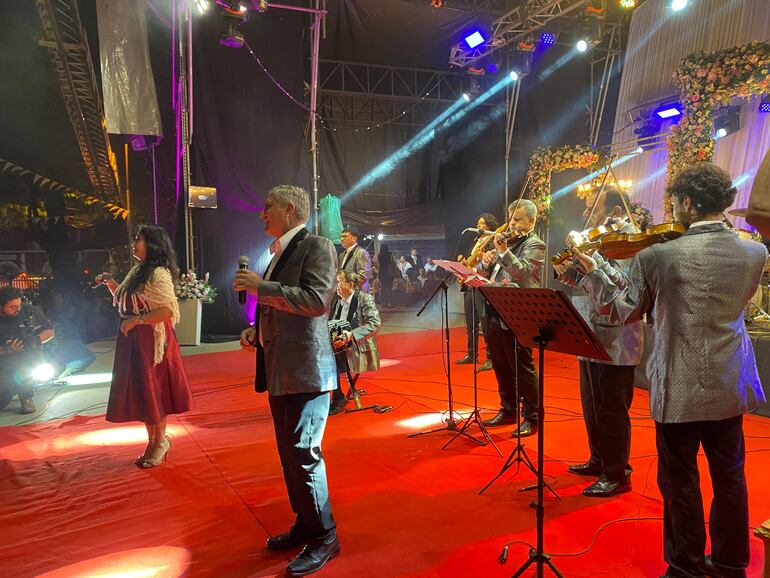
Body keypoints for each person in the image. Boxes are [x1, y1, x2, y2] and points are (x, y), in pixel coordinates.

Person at [571, 164, 767, 578]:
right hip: (730, 379)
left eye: (675, 201)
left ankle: (686, 566)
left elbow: (619, 311)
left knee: (680, 480)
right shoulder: (755, 252)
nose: (673, 208)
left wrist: (592, 270)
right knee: (730, 474)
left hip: (679, 381)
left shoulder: (657, 255)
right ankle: (732, 563)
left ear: (687, 203)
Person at [234, 184, 339, 577]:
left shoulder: (318, 247)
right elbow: (282, 308)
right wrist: (257, 333)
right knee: (289, 453)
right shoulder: (279, 252)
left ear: (290, 209)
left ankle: (325, 536)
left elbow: (316, 301)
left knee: (303, 453)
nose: (261, 213)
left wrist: (262, 288)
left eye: (267, 206)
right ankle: (306, 523)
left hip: (308, 371)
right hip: (281, 369)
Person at [552, 189, 643, 497]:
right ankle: (599, 459)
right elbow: (588, 286)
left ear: (616, 212)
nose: (587, 216)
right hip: (590, 331)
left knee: (611, 409)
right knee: (591, 404)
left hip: (617, 339)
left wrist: (597, 264)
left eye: (593, 209)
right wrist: (572, 274)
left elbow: (626, 293)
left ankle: (617, 473)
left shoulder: (631, 244)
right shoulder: (600, 243)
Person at [97, 224, 193, 468]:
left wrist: (138, 320)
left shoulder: (158, 273)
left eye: (138, 239)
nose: (134, 243)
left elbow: (168, 310)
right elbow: (127, 299)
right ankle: (153, 440)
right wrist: (110, 283)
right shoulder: (139, 269)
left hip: (150, 340)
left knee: (153, 391)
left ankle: (160, 441)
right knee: (142, 391)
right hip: (135, 338)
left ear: (151, 244)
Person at [480, 199, 545, 438]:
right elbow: (490, 272)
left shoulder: (536, 244)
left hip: (519, 313)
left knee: (522, 367)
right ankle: (507, 410)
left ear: (531, 220)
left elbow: (523, 272)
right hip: (495, 308)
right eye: (511, 218)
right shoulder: (508, 243)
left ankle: (532, 417)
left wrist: (502, 251)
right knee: (500, 363)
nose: (512, 224)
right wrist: (484, 263)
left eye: (517, 220)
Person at [328, 270, 381, 415]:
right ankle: (334, 395)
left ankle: (337, 397)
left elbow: (375, 324)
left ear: (350, 284)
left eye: (339, 281)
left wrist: (351, 335)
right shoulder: (338, 302)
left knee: (328, 361)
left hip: (357, 346)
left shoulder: (364, 298)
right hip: (341, 346)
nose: (335, 285)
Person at [0, 286, 54, 414]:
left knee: (30, 362)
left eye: (19, 305)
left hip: (27, 358)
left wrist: (35, 340)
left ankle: (26, 397)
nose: (17, 309)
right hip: (4, 362)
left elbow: (50, 331)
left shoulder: (29, 310)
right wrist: (6, 350)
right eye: (12, 307)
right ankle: (10, 390)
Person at [456, 213, 499, 371]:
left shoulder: (492, 241)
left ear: (489, 226)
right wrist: (462, 259)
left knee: (485, 322)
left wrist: (480, 260)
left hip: (482, 287)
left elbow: (492, 264)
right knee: (470, 323)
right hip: (469, 285)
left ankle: (490, 356)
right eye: (478, 223)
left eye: (482, 224)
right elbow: (468, 259)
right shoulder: (476, 241)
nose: (479, 226)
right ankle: (471, 353)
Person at [338, 225, 372, 293]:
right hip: (346, 293)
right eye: (341, 236)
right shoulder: (342, 254)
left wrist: (347, 285)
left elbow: (363, 276)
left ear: (354, 238)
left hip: (358, 294)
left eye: (345, 236)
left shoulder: (362, 253)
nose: (342, 239)